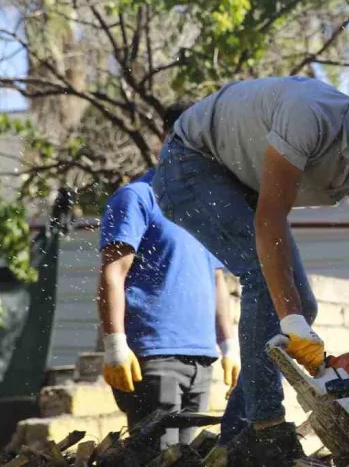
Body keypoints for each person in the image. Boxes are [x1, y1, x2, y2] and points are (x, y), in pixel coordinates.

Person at [151, 72, 349, 466]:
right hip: (190, 163)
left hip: (242, 181)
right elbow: (271, 216)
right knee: (270, 288)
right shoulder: (309, 113)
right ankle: (267, 429)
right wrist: (290, 321)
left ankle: (235, 440)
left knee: (300, 307)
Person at [96, 101, 241, 450]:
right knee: (156, 458)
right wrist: (115, 345)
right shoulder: (137, 197)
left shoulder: (200, 208)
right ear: (168, 137)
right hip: (154, 357)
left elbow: (216, 278)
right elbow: (112, 273)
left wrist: (228, 345)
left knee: (187, 458)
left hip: (201, 359)